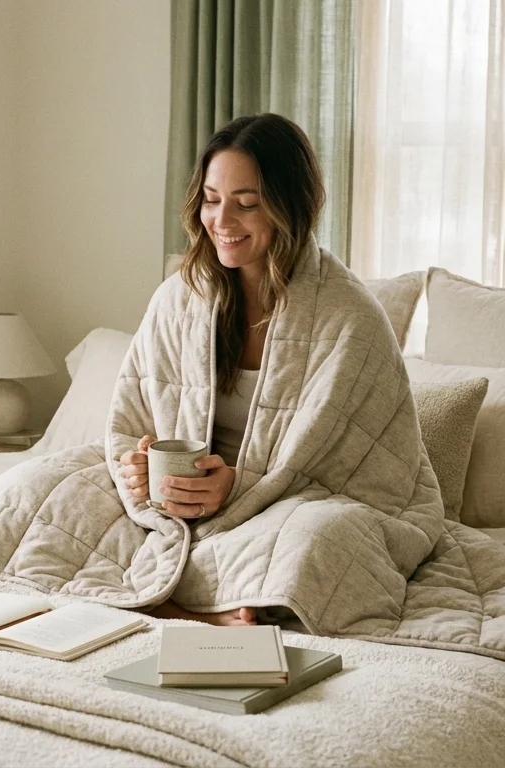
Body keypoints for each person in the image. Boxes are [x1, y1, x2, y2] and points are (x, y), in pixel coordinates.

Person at [117, 113, 324, 627]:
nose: (223, 221)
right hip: (179, 499)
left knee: (322, 534)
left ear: (289, 206)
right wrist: (138, 465)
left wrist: (237, 487)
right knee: (37, 490)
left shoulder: (348, 318)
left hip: (281, 502)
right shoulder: (176, 299)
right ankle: (197, 609)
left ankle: (172, 604)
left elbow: (361, 471)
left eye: (247, 203)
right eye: (212, 199)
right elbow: (134, 414)